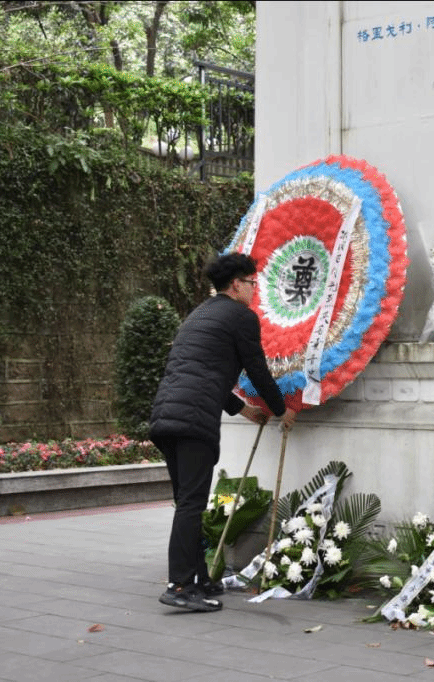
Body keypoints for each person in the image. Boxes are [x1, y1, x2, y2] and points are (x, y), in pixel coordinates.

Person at [150, 252, 296, 613]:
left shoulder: (199, 314)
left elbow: (199, 372)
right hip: (193, 421)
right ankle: (179, 585)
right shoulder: (241, 316)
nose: (255, 290)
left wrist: (242, 409)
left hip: (165, 416)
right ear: (236, 284)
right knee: (191, 503)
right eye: (252, 283)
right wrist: (281, 409)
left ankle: (198, 579)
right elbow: (257, 370)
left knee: (186, 501)